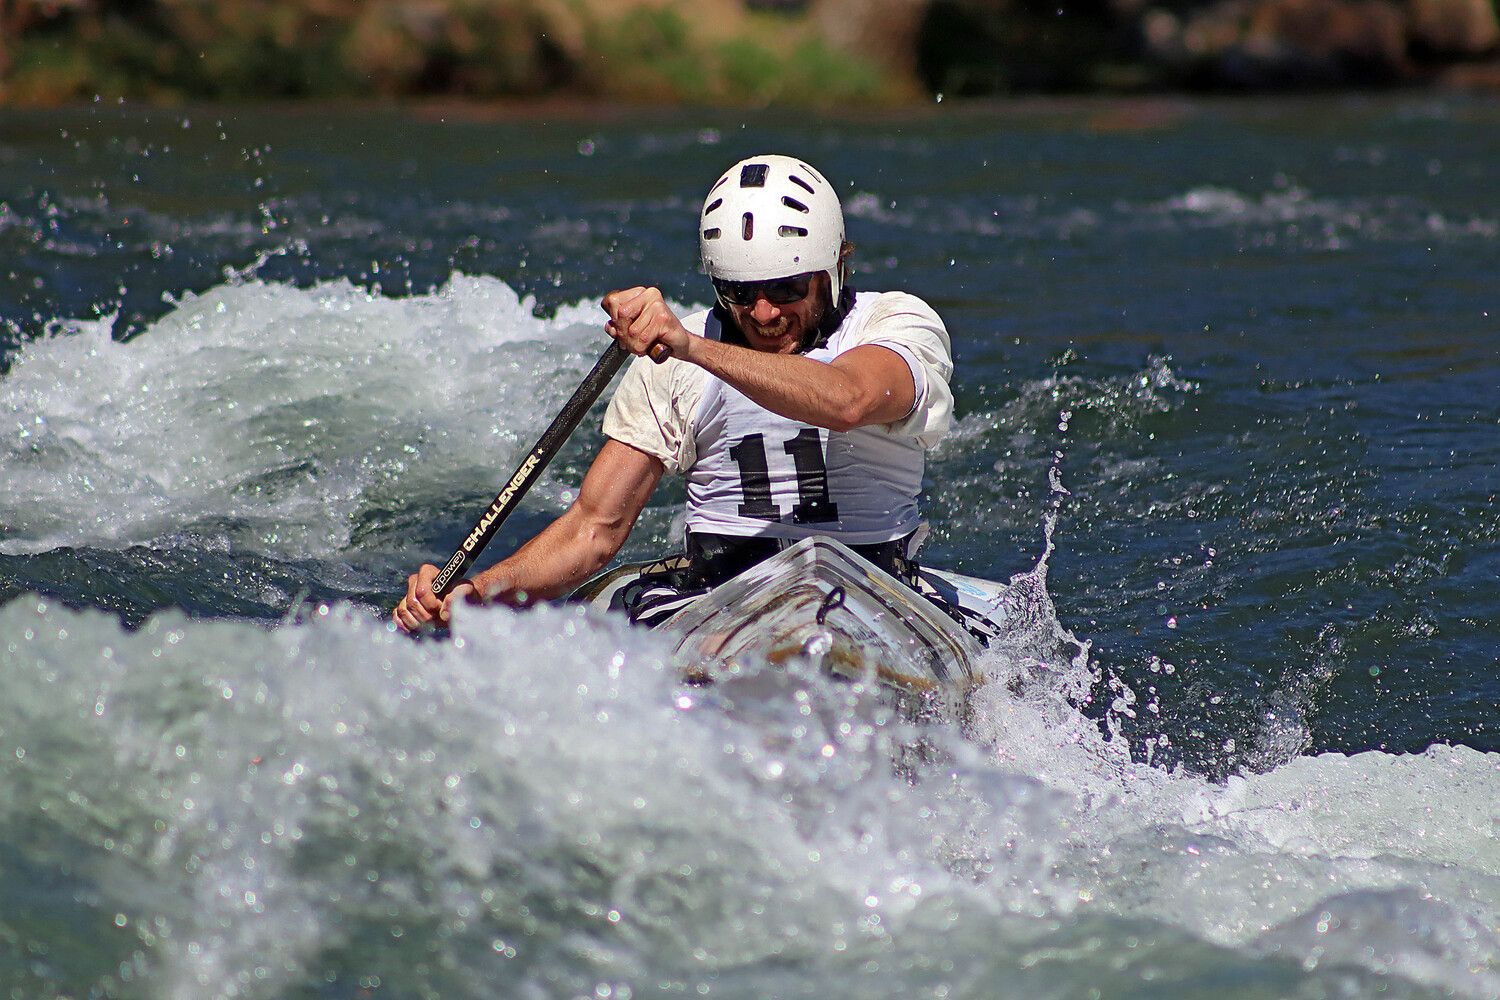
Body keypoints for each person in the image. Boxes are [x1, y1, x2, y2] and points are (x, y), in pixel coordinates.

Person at [394, 153, 954, 633]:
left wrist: (689, 346)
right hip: (722, 594)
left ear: (832, 268)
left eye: (786, 289)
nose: (763, 314)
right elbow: (594, 529)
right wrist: (479, 593)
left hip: (871, 587)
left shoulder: (895, 323)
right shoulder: (671, 362)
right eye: (739, 291)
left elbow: (846, 401)